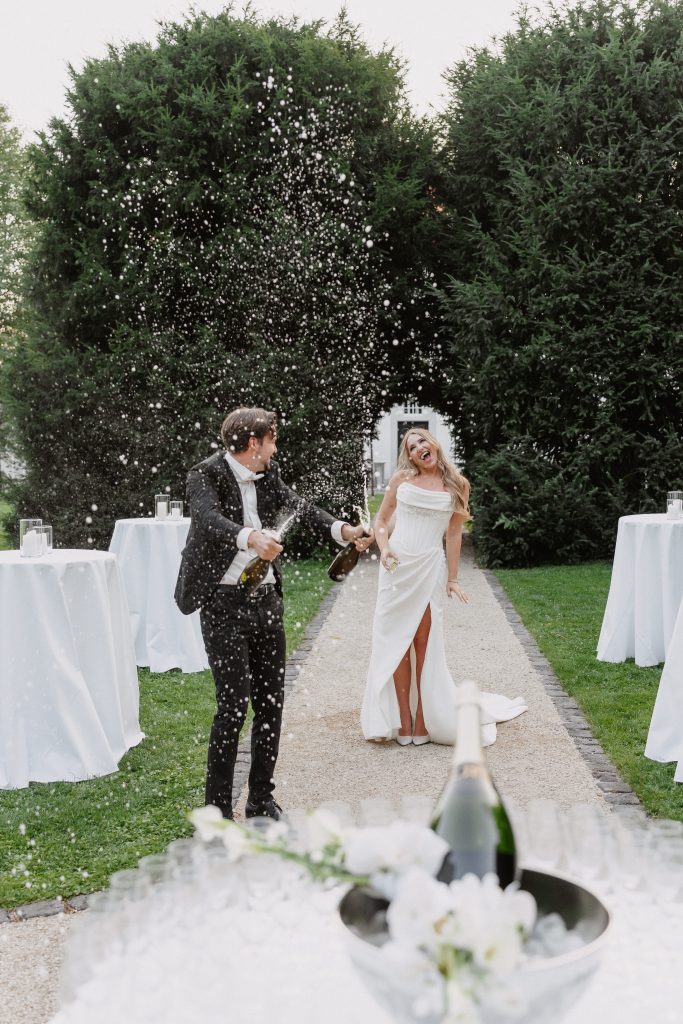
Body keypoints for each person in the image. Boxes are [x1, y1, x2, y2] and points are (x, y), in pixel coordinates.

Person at [175, 407, 371, 820]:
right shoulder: (203, 475)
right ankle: (217, 811)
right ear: (253, 444)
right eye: (272, 441)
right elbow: (207, 519)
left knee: (271, 703)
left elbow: (299, 506)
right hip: (222, 604)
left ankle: (261, 799)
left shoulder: (269, 473)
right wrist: (251, 538)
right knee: (232, 707)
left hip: (265, 602)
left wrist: (344, 531)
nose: (275, 449)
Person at [361, 428, 527, 746]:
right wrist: (384, 549)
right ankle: (404, 722)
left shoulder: (458, 485)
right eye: (412, 446)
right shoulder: (401, 480)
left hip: (428, 568)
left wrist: (453, 578)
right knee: (396, 642)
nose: (420, 447)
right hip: (397, 570)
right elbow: (380, 521)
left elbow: (453, 534)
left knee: (424, 645)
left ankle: (423, 720)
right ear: (409, 456)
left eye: (423, 440)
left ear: (434, 444)